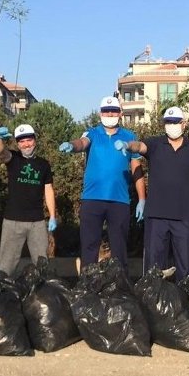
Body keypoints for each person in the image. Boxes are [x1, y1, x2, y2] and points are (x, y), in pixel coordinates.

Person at [122, 107, 189, 278]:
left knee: (187, 269)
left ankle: (186, 301)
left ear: (184, 124)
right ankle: (151, 302)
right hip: (156, 215)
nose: (171, 125)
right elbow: (139, 146)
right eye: (168, 122)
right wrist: (128, 145)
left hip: (185, 216)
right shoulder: (155, 144)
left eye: (175, 122)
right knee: (153, 268)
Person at [58, 96, 145, 272]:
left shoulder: (129, 137)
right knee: (89, 248)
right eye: (106, 111)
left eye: (113, 110)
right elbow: (82, 143)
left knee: (119, 251)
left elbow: (137, 169)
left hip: (119, 201)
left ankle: (120, 290)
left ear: (120, 113)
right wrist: (71, 145)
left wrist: (142, 199)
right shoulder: (92, 133)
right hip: (92, 199)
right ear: (100, 113)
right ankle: (87, 289)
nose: (110, 114)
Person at [0, 123, 58, 276]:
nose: (26, 144)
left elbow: (48, 189)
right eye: (21, 141)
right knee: (6, 267)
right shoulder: (13, 158)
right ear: (17, 144)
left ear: (35, 140)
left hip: (37, 222)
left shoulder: (43, 164)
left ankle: (41, 297)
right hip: (13, 221)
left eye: (29, 140)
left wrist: (53, 216)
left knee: (42, 266)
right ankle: (3, 296)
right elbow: (0, 152)